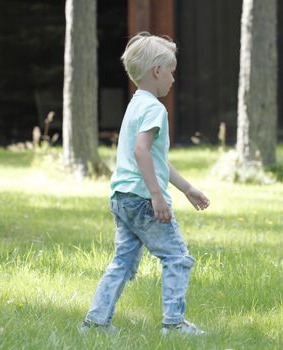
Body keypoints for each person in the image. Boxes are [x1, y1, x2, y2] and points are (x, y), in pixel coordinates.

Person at [80, 32, 210, 336]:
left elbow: (154, 158)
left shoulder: (136, 104)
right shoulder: (154, 109)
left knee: (122, 263)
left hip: (121, 197)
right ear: (157, 71)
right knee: (177, 259)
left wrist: (187, 188)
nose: (173, 79)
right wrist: (157, 196)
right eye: (172, 71)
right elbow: (141, 152)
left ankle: (95, 323)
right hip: (142, 199)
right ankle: (174, 324)